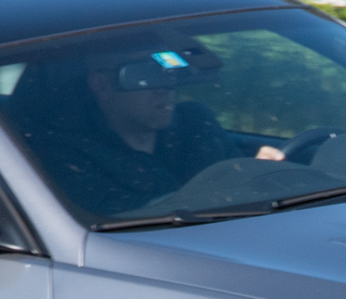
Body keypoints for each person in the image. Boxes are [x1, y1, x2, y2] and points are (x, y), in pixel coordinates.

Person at [38, 49, 280, 217]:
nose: (165, 87)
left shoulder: (196, 124)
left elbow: (235, 173)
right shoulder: (68, 158)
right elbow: (128, 221)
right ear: (101, 85)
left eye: (167, 69)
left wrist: (258, 168)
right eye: (143, 74)